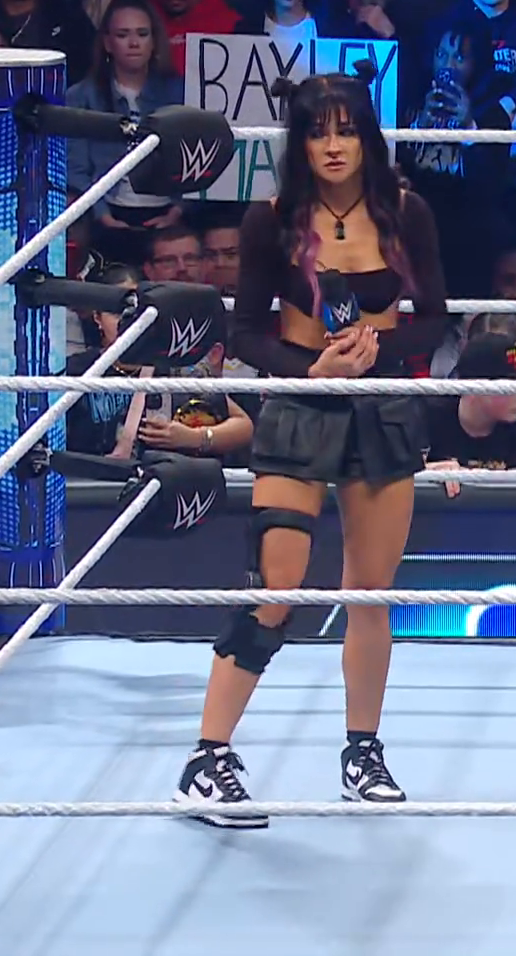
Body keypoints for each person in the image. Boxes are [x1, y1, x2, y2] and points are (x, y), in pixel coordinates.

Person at [174, 69, 450, 829]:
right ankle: (207, 758)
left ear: (367, 138)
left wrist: (381, 348)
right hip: (299, 405)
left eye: (347, 131)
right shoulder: (272, 220)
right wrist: (313, 368)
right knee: (277, 585)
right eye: (319, 132)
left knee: (370, 593)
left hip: (382, 408)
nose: (333, 146)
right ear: (298, 142)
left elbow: (436, 318)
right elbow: (245, 332)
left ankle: (363, 754)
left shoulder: (405, 213)